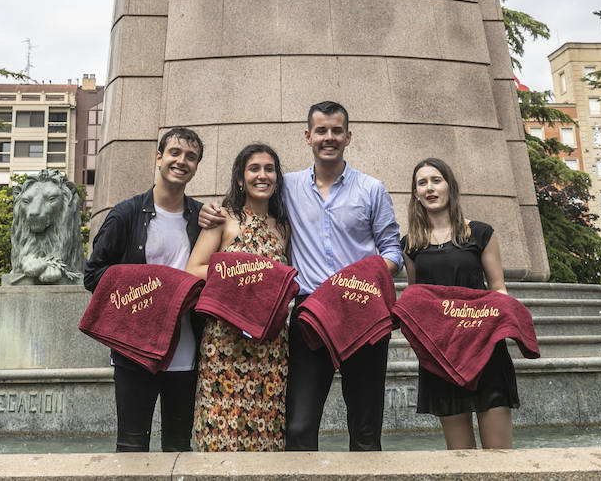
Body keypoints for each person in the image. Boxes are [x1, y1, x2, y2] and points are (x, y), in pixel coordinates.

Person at [202, 100, 403, 451]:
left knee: (366, 430)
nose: (329, 137)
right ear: (307, 136)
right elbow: (249, 200)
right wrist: (204, 212)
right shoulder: (287, 187)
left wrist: (363, 277)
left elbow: (392, 251)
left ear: (348, 136)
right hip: (311, 312)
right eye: (321, 131)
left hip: (361, 308)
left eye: (336, 131)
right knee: (297, 427)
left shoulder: (372, 189)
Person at [83, 127, 205, 452]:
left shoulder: (201, 218)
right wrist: (149, 290)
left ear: (196, 167)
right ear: (159, 157)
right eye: (175, 153)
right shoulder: (127, 213)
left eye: (191, 157)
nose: (181, 161)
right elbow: (93, 274)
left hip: (185, 352)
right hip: (134, 351)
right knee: (131, 445)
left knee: (179, 447)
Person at [402, 157, 517, 450]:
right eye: (422, 183)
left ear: (450, 186)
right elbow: (416, 298)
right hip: (442, 355)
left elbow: (498, 288)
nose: (429, 188)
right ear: (415, 193)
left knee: (500, 457)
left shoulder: (480, 233)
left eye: (436, 180)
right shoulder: (411, 244)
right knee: (460, 459)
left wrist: (502, 322)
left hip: (484, 349)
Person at [185, 143, 293, 452]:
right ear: (240, 179)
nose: (262, 175)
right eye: (254, 169)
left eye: (269, 169)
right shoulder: (223, 219)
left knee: (267, 433)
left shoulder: (283, 227)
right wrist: (242, 271)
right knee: (221, 433)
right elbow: (193, 270)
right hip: (225, 344)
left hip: (271, 347)